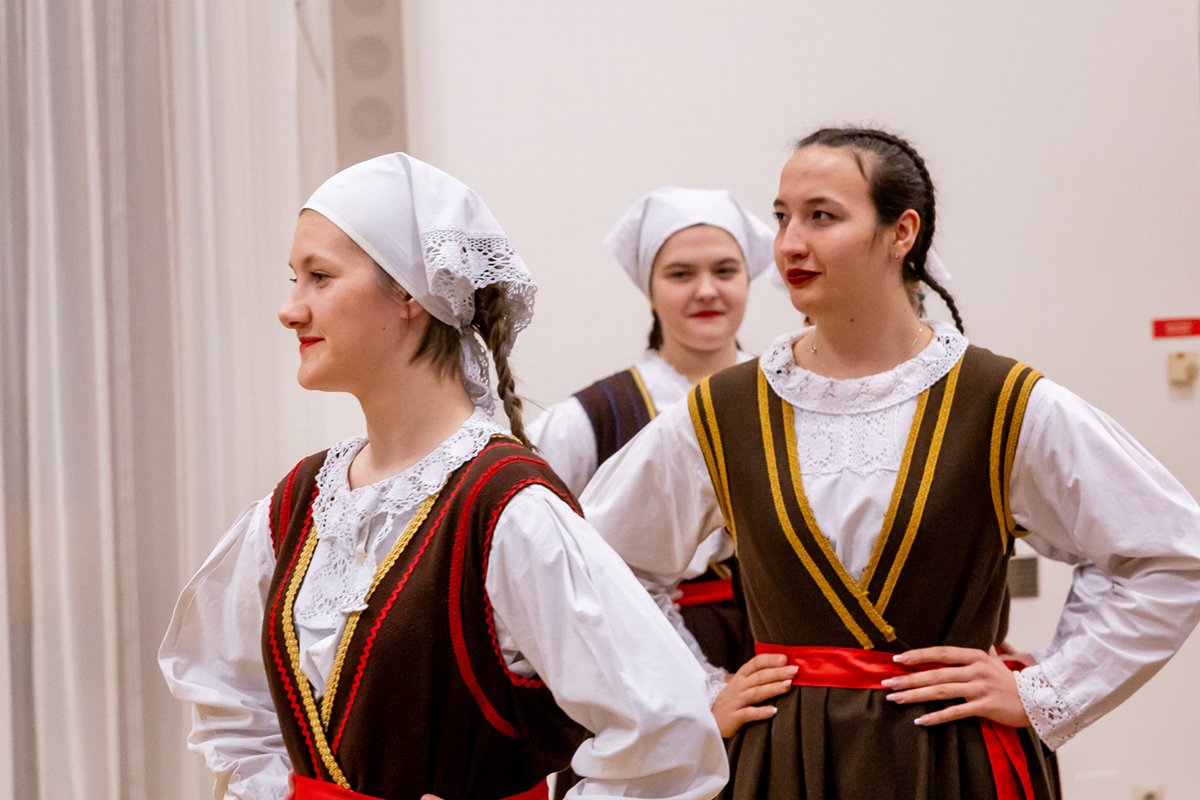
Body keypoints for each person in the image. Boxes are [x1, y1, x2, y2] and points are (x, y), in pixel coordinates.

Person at [580, 127, 1200, 799]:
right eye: (783, 217)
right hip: (787, 760)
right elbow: (598, 567)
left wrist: (1045, 690)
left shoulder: (1002, 401)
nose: (789, 243)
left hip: (955, 758)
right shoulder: (725, 410)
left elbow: (1169, 555)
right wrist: (696, 696)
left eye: (822, 216)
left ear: (901, 232)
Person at [158, 153, 727, 800]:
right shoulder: (298, 504)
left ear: (409, 292)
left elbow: (669, 737)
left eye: (319, 277)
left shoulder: (506, 506)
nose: (290, 310)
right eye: (295, 279)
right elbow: (230, 700)